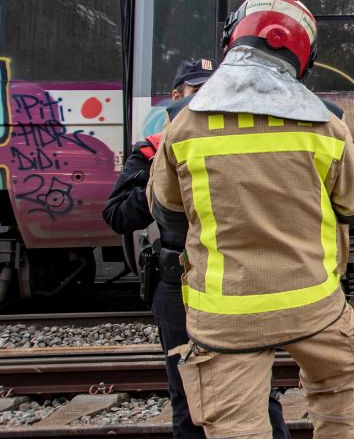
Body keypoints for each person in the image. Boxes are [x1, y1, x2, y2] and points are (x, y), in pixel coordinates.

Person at [148, 0, 354, 439]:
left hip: (225, 313)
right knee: (339, 397)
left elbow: (167, 214)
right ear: (303, 56)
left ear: (234, 39)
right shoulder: (327, 126)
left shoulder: (183, 124)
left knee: (237, 425)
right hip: (314, 305)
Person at [104, 59, 291, 439]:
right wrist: (164, 174)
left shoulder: (239, 144)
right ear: (176, 96)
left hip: (238, 282)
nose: (206, 98)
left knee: (257, 393)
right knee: (189, 398)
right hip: (180, 286)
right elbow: (117, 215)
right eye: (196, 90)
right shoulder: (153, 150)